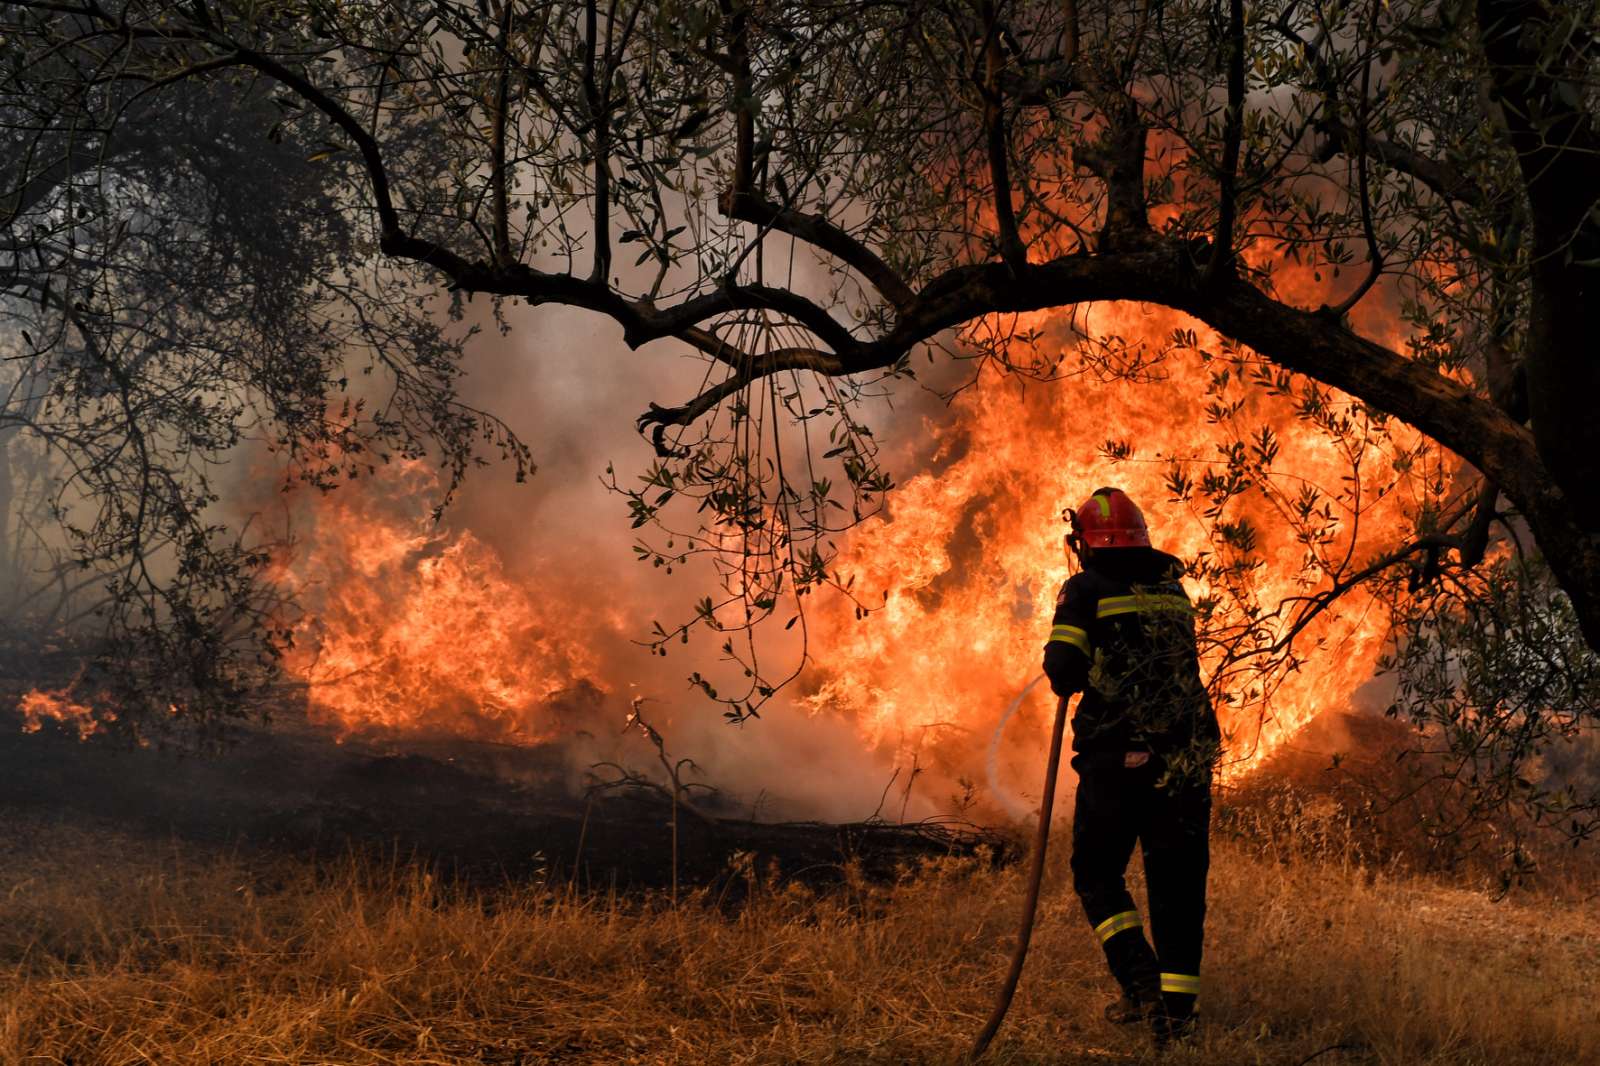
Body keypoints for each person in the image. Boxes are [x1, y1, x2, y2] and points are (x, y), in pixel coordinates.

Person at [1041, 486, 1220, 1044]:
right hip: (1185, 756)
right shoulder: (1174, 589)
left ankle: (1141, 984)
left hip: (1118, 760)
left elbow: (1063, 670)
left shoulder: (1085, 588)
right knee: (1179, 885)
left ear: (1087, 543)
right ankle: (1178, 1016)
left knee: (1097, 873)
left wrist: (1072, 650)